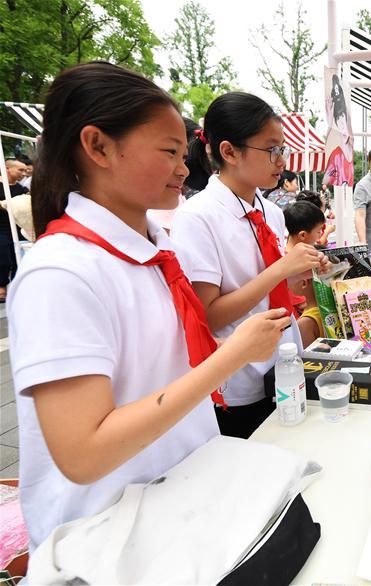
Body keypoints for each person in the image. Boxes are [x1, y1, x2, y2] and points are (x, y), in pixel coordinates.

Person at [8, 62, 291, 552]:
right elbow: (84, 453)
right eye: (168, 152)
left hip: (176, 506)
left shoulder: (153, 252)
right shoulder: (61, 273)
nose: (184, 169)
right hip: (108, 536)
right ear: (97, 146)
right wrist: (234, 353)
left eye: (184, 153)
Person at [172, 92, 328, 439]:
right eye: (271, 149)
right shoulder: (197, 218)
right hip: (239, 378)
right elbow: (208, 316)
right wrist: (281, 269)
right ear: (229, 151)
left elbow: (274, 292)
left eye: (283, 149)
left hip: (285, 363)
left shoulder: (271, 212)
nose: (281, 161)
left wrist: (307, 271)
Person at [283, 199, 327, 344]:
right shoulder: (295, 264)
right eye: (318, 231)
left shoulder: (287, 258)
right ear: (302, 235)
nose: (320, 235)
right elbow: (301, 303)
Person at [1, 158, 28, 301]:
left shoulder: (22, 189)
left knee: (19, 260)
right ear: (7, 169)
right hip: (1, 230)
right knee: (4, 259)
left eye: (25, 170)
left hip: (19, 230)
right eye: (20, 170)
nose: (24, 173)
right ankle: (1, 287)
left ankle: (17, 289)